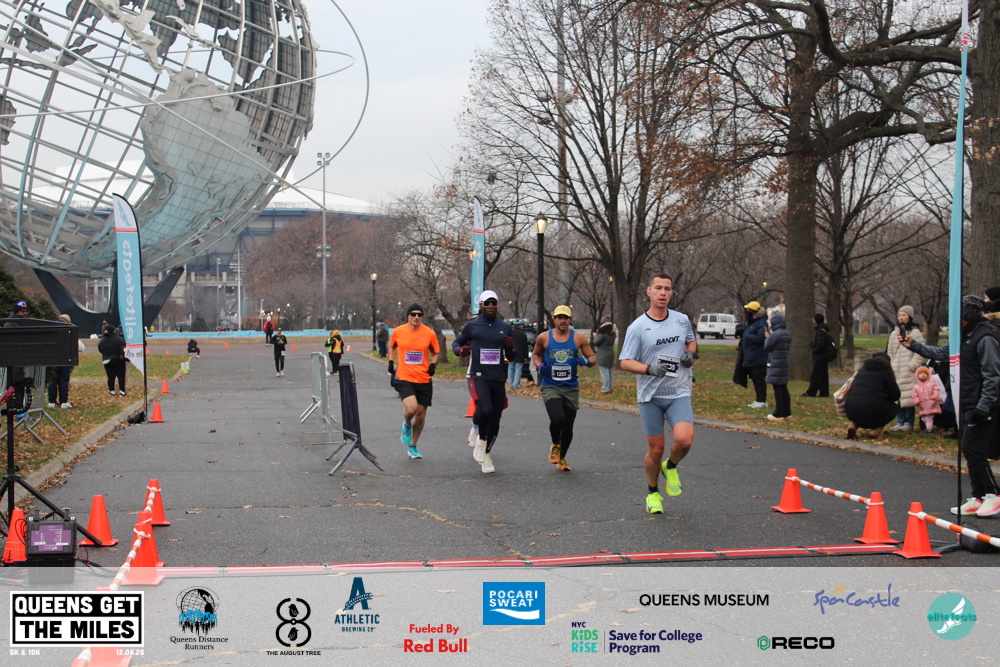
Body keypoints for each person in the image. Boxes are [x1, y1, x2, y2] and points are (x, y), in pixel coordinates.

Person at [902, 295, 1000, 517]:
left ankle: (994, 494)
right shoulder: (962, 335)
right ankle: (978, 496)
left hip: (983, 404)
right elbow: (943, 354)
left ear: (966, 315)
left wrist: (984, 405)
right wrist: (914, 346)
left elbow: (993, 375)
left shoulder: (985, 337)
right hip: (965, 400)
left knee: (973, 448)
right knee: (967, 448)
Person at [619, 273, 697, 514]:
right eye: (659, 288)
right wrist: (649, 369)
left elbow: (691, 342)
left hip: (678, 391)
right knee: (656, 449)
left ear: (672, 293)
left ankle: (670, 466)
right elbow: (625, 361)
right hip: (650, 396)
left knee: (684, 440)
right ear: (649, 291)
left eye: (667, 289)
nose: (663, 293)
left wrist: (690, 354)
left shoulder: (682, 320)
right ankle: (652, 492)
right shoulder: (638, 327)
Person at [452, 290, 515, 474]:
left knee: (495, 417)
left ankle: (486, 454)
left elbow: (511, 357)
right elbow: (456, 344)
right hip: (478, 375)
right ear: (481, 305)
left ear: (497, 304)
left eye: (493, 302)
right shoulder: (472, 326)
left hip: (498, 377)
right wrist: (460, 351)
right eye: (486, 303)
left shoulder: (505, 327)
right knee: (485, 408)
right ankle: (480, 439)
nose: (490, 306)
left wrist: (510, 349)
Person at [532, 305, 597, 471]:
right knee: (557, 418)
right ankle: (555, 444)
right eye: (560, 317)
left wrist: (585, 361)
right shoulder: (544, 337)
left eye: (566, 318)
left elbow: (592, 358)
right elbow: (535, 354)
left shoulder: (578, 338)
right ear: (554, 319)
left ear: (570, 320)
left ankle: (562, 457)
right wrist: (539, 366)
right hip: (550, 385)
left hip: (571, 388)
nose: (563, 321)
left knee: (568, 426)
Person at [388, 304, 440, 459]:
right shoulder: (399, 331)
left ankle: (413, 446)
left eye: (419, 314)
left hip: (423, 378)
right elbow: (392, 346)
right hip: (405, 377)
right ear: (408, 316)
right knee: (411, 409)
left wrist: (433, 365)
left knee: (421, 415)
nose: (416, 317)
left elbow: (436, 352)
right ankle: (407, 424)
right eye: (413, 314)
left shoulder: (429, 333)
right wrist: (391, 361)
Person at [845, 352, 901, 440]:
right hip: (873, 408)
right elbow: (895, 395)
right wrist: (885, 397)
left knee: (862, 410)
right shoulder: (886, 372)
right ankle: (875, 431)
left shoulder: (861, 371)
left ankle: (852, 426)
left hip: (851, 408)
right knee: (892, 408)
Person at [887, 305, 925, 431]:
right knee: (897, 397)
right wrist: (891, 364)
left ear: (910, 317)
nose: (901, 318)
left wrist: (912, 365)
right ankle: (900, 421)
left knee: (908, 397)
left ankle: (908, 423)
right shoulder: (894, 334)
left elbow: (920, 351)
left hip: (908, 370)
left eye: (904, 315)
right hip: (896, 369)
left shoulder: (915, 333)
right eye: (899, 315)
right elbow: (890, 350)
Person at [764, 312, 792, 420]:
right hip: (784, 362)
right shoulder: (787, 333)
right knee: (783, 387)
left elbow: (767, 347)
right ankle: (787, 411)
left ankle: (779, 413)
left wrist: (767, 337)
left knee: (777, 388)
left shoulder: (775, 335)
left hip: (775, 363)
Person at [741, 300, 769, 409]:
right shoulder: (752, 323)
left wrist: (748, 337)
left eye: (749, 309)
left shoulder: (761, 323)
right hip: (751, 356)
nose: (747, 311)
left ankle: (762, 400)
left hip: (759, 356)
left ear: (753, 311)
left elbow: (761, 338)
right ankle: (758, 399)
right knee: (755, 379)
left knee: (759, 379)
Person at [47, 314, 76, 408]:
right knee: (63, 380)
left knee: (52, 381)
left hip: (52, 359)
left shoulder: (50, 327)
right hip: (64, 358)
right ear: (67, 321)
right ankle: (63, 402)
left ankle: (51, 402)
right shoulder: (69, 328)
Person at [802, 313, 832, 397]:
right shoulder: (825, 329)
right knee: (823, 375)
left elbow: (820, 344)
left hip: (820, 356)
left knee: (816, 375)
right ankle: (824, 392)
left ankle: (811, 392)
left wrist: (814, 351)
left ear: (815, 321)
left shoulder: (820, 331)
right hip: (825, 355)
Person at [98, 324, 127, 396]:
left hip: (106, 360)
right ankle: (122, 392)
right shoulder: (119, 339)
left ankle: (112, 391)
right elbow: (124, 347)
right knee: (121, 376)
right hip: (118, 359)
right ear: (114, 331)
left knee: (110, 376)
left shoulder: (102, 341)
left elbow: (100, 350)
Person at [912, 366, 942, 434]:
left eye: (925, 373)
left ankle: (929, 429)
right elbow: (914, 395)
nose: (923, 375)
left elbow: (936, 391)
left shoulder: (932, 384)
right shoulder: (916, 386)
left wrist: (934, 398)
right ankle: (927, 428)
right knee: (924, 418)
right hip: (922, 405)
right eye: (921, 373)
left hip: (931, 404)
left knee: (929, 417)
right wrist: (917, 401)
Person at [592, 315, 616, 393]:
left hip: (603, 355)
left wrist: (596, 335)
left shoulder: (602, 334)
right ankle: (610, 388)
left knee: (604, 372)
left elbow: (596, 342)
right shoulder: (613, 333)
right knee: (610, 371)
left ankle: (605, 389)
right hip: (610, 353)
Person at [507, 323, 529, 389]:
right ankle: (516, 384)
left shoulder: (510, 333)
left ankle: (511, 384)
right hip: (520, 354)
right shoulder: (522, 333)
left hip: (511, 353)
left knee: (510, 368)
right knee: (518, 369)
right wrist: (526, 356)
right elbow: (525, 346)